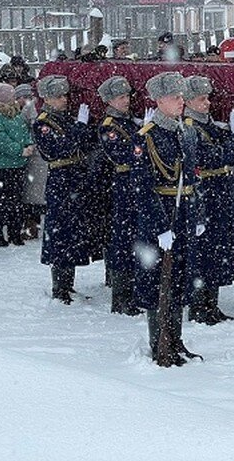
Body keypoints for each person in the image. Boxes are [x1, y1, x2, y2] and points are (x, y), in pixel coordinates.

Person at [131, 71, 203, 366]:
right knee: (158, 281)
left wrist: (197, 213)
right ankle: (159, 341)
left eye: (182, 97)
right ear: (159, 100)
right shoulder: (146, 137)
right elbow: (143, 188)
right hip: (161, 215)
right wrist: (160, 227)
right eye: (175, 98)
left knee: (179, 279)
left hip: (183, 213)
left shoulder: (184, 131)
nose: (181, 102)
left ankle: (175, 338)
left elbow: (192, 178)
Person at [183, 75, 234, 324]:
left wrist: (231, 144)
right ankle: (199, 307)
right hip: (204, 194)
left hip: (218, 193)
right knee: (203, 252)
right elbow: (213, 157)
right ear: (188, 102)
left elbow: (226, 152)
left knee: (218, 250)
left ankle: (211, 304)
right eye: (201, 99)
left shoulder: (208, 125)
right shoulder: (189, 127)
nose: (207, 103)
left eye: (208, 98)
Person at [33, 75, 98, 304]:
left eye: (65, 95)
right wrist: (80, 128)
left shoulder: (65, 119)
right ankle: (59, 287)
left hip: (76, 178)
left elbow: (85, 142)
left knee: (73, 231)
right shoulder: (43, 123)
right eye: (59, 96)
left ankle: (68, 285)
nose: (64, 100)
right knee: (60, 233)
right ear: (48, 99)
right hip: (61, 179)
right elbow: (60, 149)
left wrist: (84, 128)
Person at [97, 76, 141, 314]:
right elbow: (124, 154)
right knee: (123, 240)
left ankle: (132, 293)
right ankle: (122, 297)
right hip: (121, 185)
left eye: (127, 96)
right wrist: (142, 136)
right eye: (121, 97)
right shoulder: (109, 126)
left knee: (134, 237)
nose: (127, 100)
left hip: (133, 184)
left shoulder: (127, 122)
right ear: (110, 100)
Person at [0, 82, 34, 248]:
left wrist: (28, 144)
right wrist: (20, 149)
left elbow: (24, 131)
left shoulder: (15, 113)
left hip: (17, 164)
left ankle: (15, 232)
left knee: (16, 201)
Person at [17, 83, 46, 241]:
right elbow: (22, 128)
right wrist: (29, 143)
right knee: (33, 195)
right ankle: (31, 225)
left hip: (48, 156)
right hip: (35, 156)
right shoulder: (30, 108)